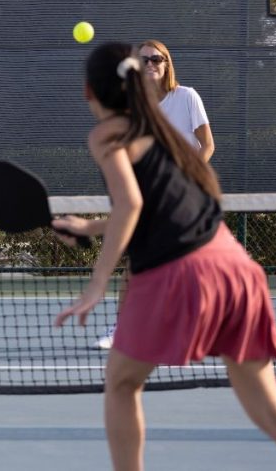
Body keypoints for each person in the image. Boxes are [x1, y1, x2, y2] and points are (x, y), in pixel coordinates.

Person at [53, 42, 276, 471]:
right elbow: (156, 207)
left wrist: (96, 283)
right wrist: (90, 228)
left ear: (87, 93)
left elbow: (131, 205)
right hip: (235, 267)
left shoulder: (107, 134)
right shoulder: (163, 131)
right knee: (271, 410)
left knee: (121, 385)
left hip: (178, 273)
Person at [93, 39, 215, 350]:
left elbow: (207, 144)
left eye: (157, 59)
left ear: (166, 63)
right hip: (151, 197)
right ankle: (123, 329)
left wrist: (187, 178)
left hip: (185, 197)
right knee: (136, 265)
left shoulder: (187, 97)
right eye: (144, 60)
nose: (151, 64)